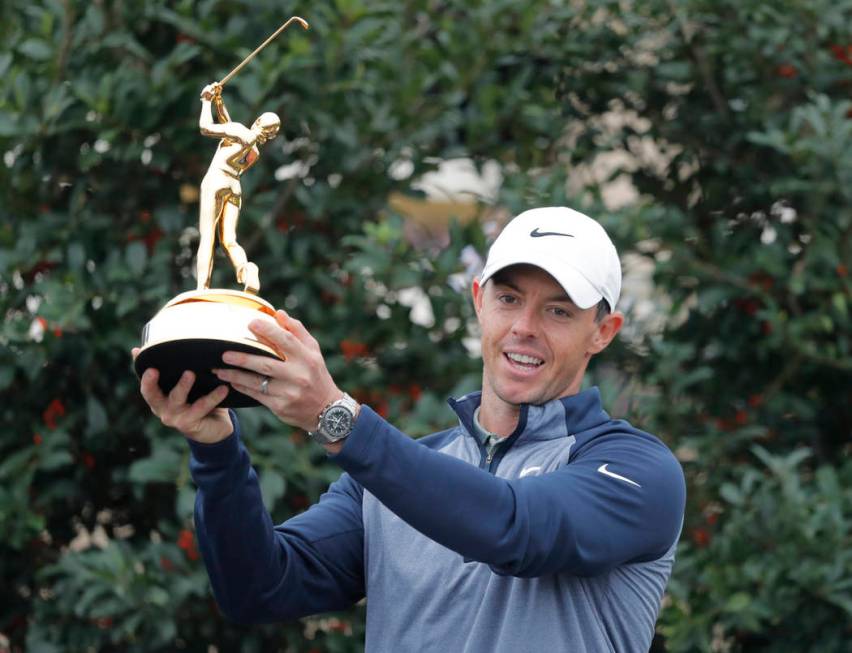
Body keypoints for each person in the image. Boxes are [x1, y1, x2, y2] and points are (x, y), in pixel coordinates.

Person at [135, 206, 686, 652]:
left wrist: (338, 419)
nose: (523, 328)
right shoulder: (387, 479)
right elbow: (260, 589)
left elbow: (512, 529)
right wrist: (216, 451)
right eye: (509, 298)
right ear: (478, 301)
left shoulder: (638, 471)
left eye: (559, 312)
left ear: (603, 332)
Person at [195, 82, 281, 294]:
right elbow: (229, 128)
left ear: (258, 121)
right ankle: (245, 269)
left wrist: (206, 102)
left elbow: (206, 128)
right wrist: (219, 101)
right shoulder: (255, 151)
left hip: (216, 181)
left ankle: (201, 289)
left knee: (207, 235)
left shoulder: (240, 132)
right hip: (235, 187)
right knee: (229, 239)